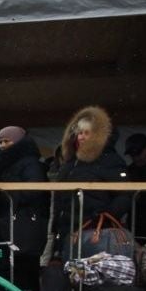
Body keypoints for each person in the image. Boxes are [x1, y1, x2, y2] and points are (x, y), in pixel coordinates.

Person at [51, 106, 129, 261]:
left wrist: (103, 216)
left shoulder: (109, 160)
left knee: (92, 271)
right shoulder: (70, 162)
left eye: (87, 133)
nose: (81, 137)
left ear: (98, 135)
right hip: (68, 229)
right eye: (79, 133)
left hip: (95, 232)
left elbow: (125, 194)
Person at [0, 126, 48, 291]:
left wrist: (9, 197)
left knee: (25, 267)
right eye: (0, 141)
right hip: (8, 221)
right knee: (8, 267)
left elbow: (34, 189)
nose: (2, 145)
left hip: (25, 223)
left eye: (6, 141)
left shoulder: (30, 163)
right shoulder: (2, 164)